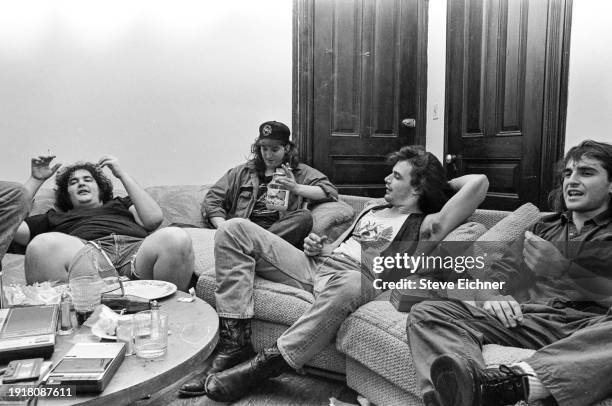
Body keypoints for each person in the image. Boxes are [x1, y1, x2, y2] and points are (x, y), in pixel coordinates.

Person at [179, 145, 489, 400]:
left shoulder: (426, 225)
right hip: (317, 267)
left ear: (417, 186)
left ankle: (268, 363)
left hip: (358, 279)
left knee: (353, 282)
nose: (386, 180)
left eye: (396, 177)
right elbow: (342, 246)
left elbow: (479, 183)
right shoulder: (373, 208)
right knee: (234, 230)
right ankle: (235, 345)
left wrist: (436, 185)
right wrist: (320, 246)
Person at [407, 140, 612, 406]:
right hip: (530, 319)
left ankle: (513, 383)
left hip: (591, 326)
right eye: (567, 173)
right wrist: (491, 296)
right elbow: (495, 275)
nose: (572, 181)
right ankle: (470, 385)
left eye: (586, 172)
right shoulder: (542, 228)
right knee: (429, 312)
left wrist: (564, 268)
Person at [13, 155, 194, 291]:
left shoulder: (120, 203)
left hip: (136, 255)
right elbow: (7, 226)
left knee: (176, 237)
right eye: (73, 182)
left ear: (100, 188)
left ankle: (171, 317)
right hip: (88, 261)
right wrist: (36, 180)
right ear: (66, 193)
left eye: (88, 180)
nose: (81, 184)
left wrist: (121, 174)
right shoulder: (53, 217)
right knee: (40, 244)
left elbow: (153, 220)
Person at [204, 121, 338, 248]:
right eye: (264, 149)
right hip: (246, 228)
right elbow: (213, 200)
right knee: (237, 226)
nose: (268, 155)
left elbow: (329, 192)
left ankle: (251, 247)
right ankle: (253, 245)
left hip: (280, 231)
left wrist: (296, 187)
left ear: (286, 148)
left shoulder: (300, 172)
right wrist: (225, 228)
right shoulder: (242, 172)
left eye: (274, 150)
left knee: (304, 217)